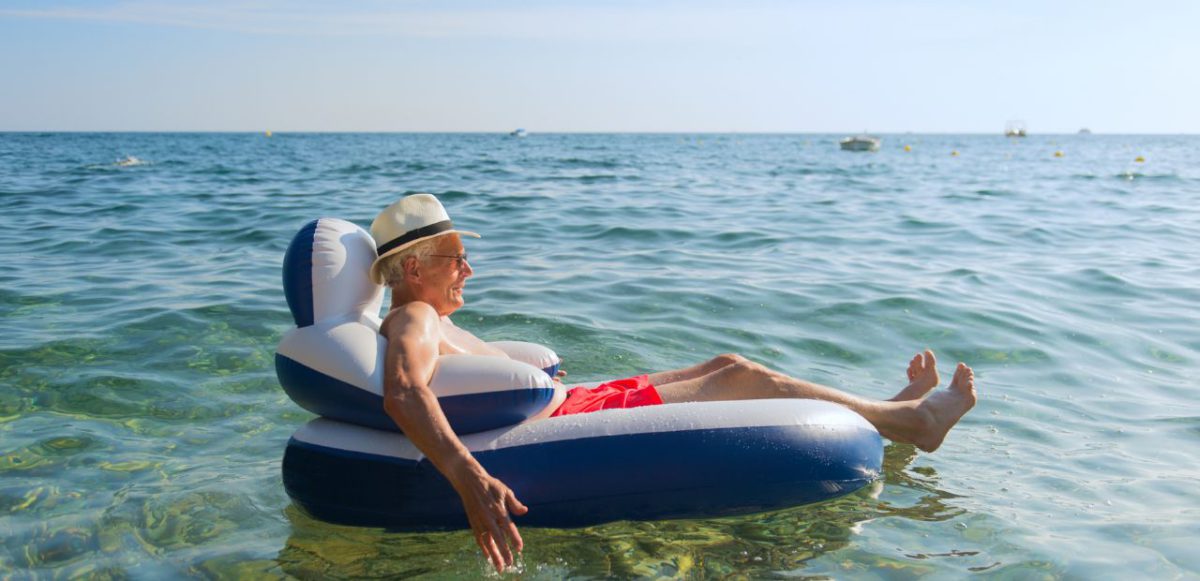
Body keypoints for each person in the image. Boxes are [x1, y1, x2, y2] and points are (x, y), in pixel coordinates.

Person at [369, 193, 978, 573]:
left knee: (726, 362)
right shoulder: (415, 316)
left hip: (577, 400)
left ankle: (889, 413)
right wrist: (470, 478)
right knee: (741, 376)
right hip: (568, 419)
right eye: (456, 258)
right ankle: (916, 424)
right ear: (415, 267)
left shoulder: (426, 316)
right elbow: (403, 390)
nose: (468, 269)